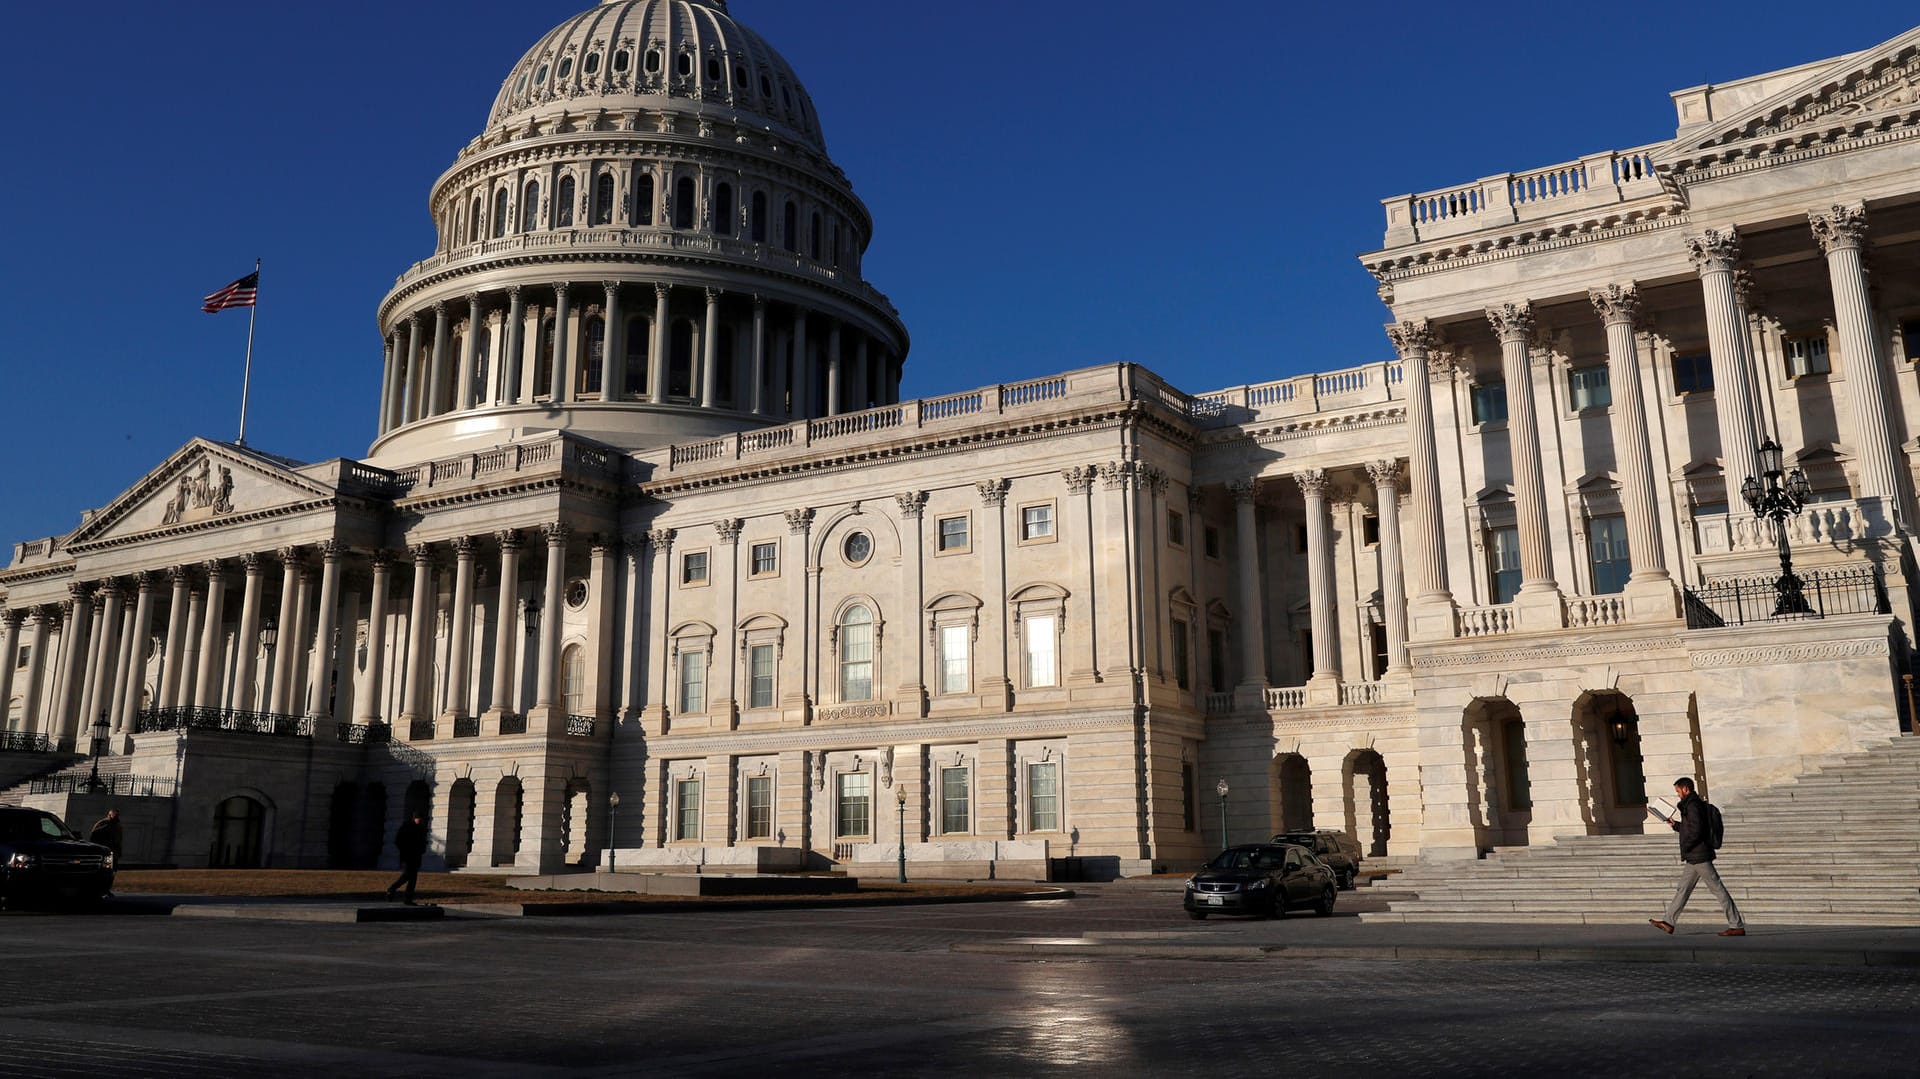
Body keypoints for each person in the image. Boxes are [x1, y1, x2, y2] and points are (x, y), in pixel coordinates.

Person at [1649, 776, 1745, 937]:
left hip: (1699, 855)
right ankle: (1668, 922)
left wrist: (1686, 845)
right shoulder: (1691, 805)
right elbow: (1690, 828)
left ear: (1686, 789)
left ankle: (1736, 925)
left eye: (1678, 791)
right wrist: (1676, 825)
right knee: (1683, 889)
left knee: (1718, 889)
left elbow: (1696, 831)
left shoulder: (1693, 805)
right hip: (1694, 856)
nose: (1678, 794)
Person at [386, 812, 429, 905]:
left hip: (416, 857)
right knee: (407, 875)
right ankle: (392, 889)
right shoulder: (407, 826)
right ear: (414, 818)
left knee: (412, 878)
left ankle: (406, 898)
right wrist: (405, 851)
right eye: (418, 818)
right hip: (408, 856)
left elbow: (422, 841)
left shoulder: (420, 828)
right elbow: (398, 840)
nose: (420, 820)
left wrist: (422, 849)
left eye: (421, 819)